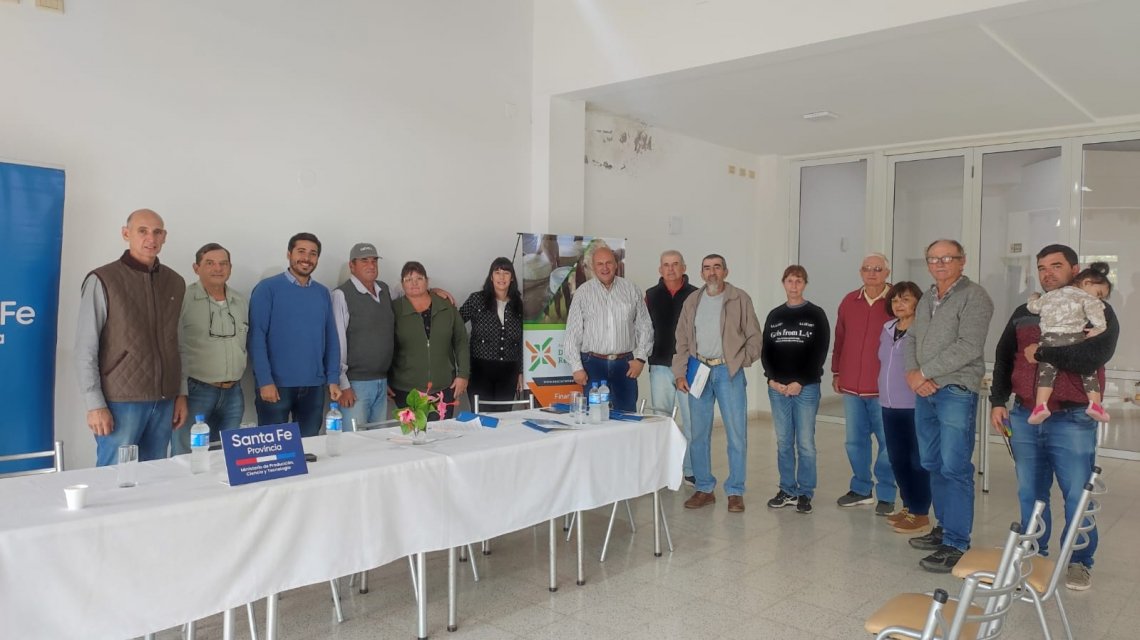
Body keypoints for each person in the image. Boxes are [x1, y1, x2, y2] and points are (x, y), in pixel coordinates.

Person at [990, 245, 1119, 591]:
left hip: (1073, 418)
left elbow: (1095, 353)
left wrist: (1044, 352)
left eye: (1056, 266)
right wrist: (998, 400)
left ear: (1074, 269)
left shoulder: (1095, 308)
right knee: (1030, 493)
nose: (1047, 273)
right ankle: (1035, 553)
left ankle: (1078, 561)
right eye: (1042, 267)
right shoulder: (1024, 312)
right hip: (1025, 414)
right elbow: (1005, 357)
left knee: (1077, 494)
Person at [904, 239, 993, 573]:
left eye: (947, 258)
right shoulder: (927, 298)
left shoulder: (976, 297)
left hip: (955, 389)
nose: (939, 264)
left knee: (954, 466)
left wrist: (924, 372)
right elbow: (911, 338)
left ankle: (957, 543)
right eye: (933, 259)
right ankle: (943, 529)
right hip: (924, 390)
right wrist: (913, 375)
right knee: (933, 462)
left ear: (962, 261)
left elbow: (969, 345)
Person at [75, 209, 187, 466]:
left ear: (165, 236)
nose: (151, 238)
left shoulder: (175, 282)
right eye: (143, 231)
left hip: (165, 399)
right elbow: (85, 347)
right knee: (114, 478)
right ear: (126, 234)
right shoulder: (103, 279)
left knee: (154, 475)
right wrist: (94, 404)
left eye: (157, 232)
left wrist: (180, 393)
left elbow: (178, 344)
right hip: (120, 401)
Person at [672, 254, 761, 512]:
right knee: (698, 434)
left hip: (728, 372)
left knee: (736, 434)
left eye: (717, 267)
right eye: (707, 268)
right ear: (701, 273)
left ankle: (735, 491)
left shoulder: (739, 298)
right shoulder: (692, 301)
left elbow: (755, 337)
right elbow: (682, 341)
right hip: (698, 371)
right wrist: (680, 373)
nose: (712, 272)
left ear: (725, 271)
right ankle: (704, 488)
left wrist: (741, 360)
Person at [248, 232, 341, 437]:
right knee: (275, 455)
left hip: (314, 386)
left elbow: (331, 338)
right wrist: (265, 381)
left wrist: (332, 378)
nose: (306, 258)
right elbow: (256, 337)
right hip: (276, 386)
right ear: (289, 254)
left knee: (309, 449)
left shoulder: (322, 293)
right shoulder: (267, 289)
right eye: (301, 252)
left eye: (313, 253)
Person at [760, 265, 830, 515]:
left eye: (798, 281)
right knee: (782, 441)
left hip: (806, 387)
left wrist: (800, 381)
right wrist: (771, 380)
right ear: (783, 283)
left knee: (805, 442)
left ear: (804, 284)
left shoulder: (816, 314)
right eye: (789, 280)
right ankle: (787, 490)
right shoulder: (775, 315)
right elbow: (765, 350)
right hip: (777, 388)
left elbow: (819, 352)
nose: (794, 285)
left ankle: (805, 493)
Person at [833, 253, 897, 515]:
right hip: (851, 387)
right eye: (867, 269)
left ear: (887, 272)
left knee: (887, 443)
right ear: (861, 272)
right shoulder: (850, 301)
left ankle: (886, 493)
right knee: (854, 442)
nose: (872, 273)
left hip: (885, 388)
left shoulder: (897, 301)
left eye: (878, 269)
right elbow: (840, 338)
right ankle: (860, 489)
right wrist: (837, 371)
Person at [175, 243, 247, 452]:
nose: (218, 269)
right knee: (188, 456)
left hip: (233, 393)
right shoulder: (183, 299)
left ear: (230, 268)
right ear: (196, 268)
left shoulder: (240, 301)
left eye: (223, 263)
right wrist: (180, 392)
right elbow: (174, 346)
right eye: (210, 263)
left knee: (228, 458)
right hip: (196, 391)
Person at [563, 245, 653, 412]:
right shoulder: (583, 293)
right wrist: (576, 367)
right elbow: (573, 332)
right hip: (592, 365)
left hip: (625, 365)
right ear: (592, 267)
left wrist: (640, 359)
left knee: (627, 415)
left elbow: (645, 326)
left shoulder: (631, 289)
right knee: (594, 417)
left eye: (609, 263)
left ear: (616, 264)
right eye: (599, 264)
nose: (605, 268)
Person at [1024, 262, 1113, 425]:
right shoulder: (1087, 298)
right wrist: (1098, 329)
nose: (1098, 298)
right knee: (1088, 371)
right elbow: (1098, 318)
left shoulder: (1051, 295)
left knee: (1046, 372)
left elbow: (1033, 307)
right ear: (1087, 283)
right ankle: (1095, 405)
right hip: (1073, 338)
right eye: (1099, 293)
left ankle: (1040, 406)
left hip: (1049, 339)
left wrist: (1034, 297)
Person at [877, 282, 932, 535]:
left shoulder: (923, 330)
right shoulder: (887, 329)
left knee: (916, 460)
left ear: (917, 303)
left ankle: (920, 512)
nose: (899, 304)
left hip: (913, 404)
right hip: (888, 404)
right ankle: (908, 506)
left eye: (906, 300)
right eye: (896, 300)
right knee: (897, 459)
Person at [390, 261, 469, 419]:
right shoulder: (393, 309)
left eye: (419, 278)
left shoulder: (446, 307)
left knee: (441, 438)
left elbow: (461, 341)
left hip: (444, 387)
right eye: (408, 279)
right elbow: (385, 346)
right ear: (402, 284)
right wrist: (384, 380)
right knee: (414, 437)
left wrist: (463, 375)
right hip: (406, 390)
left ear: (427, 281)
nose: (414, 283)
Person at [646, 250, 698, 484]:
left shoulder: (696, 294)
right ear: (660, 269)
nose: (670, 269)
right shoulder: (650, 295)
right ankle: (662, 470)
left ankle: (689, 471)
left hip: (687, 368)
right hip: (659, 366)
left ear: (683, 267)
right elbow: (644, 330)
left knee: (691, 420)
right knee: (662, 420)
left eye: (675, 264)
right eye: (666, 265)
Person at [332, 242, 395, 428]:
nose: (371, 265)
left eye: (374, 260)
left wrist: (435, 290)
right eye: (364, 261)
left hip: (382, 383)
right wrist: (343, 385)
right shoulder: (341, 295)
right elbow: (337, 342)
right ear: (352, 265)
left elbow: (412, 290)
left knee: (379, 442)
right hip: (355, 384)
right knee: (354, 443)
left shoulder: (385, 290)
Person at [459, 257, 524, 411]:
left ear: (512, 277)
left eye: (506, 273)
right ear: (491, 276)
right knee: (482, 418)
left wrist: (520, 371)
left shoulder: (519, 305)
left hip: (509, 372)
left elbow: (522, 341)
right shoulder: (477, 300)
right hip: (480, 370)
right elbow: (455, 324)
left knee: (503, 418)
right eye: (497, 272)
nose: (501, 277)